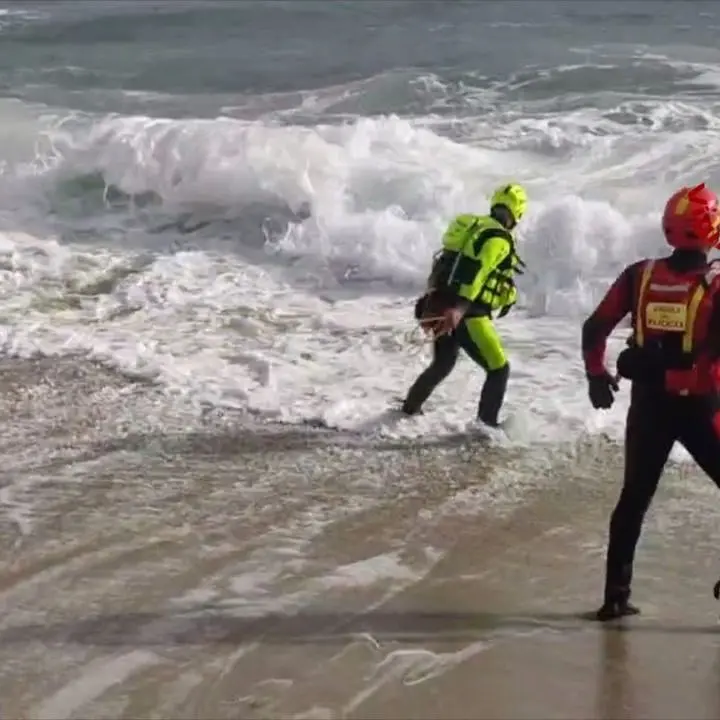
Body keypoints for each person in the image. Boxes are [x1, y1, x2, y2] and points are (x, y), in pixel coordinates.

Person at [581, 182, 720, 621]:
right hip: (703, 407)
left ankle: (615, 597)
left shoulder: (639, 276)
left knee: (634, 499)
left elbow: (594, 327)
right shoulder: (715, 286)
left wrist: (596, 376)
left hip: (649, 407)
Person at [401, 183, 527, 427]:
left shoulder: (471, 225)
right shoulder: (499, 239)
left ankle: (409, 409)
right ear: (517, 213)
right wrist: (459, 310)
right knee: (499, 369)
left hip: (440, 304)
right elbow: (478, 274)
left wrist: (433, 299)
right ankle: (486, 427)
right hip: (468, 313)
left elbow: (443, 263)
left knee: (443, 363)